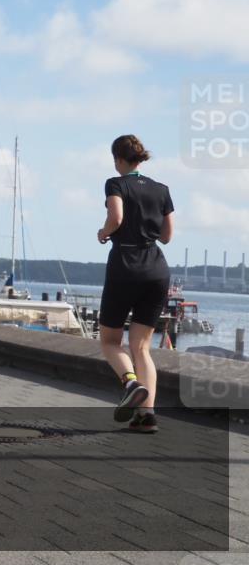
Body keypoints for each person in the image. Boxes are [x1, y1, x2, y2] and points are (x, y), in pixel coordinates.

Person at [97, 134, 174, 434]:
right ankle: (146, 415)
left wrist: (104, 232)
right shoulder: (162, 189)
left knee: (110, 341)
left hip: (125, 267)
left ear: (118, 159)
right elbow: (167, 235)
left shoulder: (116, 184)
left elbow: (115, 217)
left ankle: (130, 384)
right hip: (156, 269)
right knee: (141, 347)